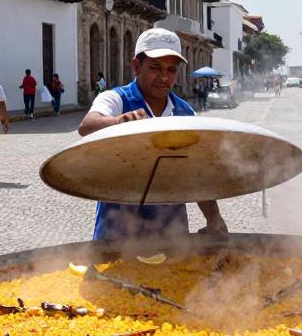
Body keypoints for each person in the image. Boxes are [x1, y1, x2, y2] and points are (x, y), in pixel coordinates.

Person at [79, 29, 229, 241]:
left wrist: (214, 217)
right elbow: (87, 125)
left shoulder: (185, 112)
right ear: (136, 66)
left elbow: (196, 171)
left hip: (171, 228)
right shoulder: (116, 99)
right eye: (155, 68)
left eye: (171, 69)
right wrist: (121, 120)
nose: (164, 77)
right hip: (118, 227)